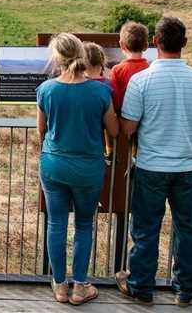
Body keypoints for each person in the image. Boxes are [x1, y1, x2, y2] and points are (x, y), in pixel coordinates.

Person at [116, 17, 192, 307]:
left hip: (151, 165)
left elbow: (127, 128)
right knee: (187, 228)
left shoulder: (141, 81)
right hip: (187, 167)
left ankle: (141, 286)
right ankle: (186, 290)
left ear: (155, 44)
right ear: (184, 44)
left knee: (146, 228)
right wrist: (190, 127)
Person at [38, 33, 120, 305]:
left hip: (53, 164)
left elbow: (42, 131)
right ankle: (80, 287)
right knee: (84, 224)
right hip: (87, 167)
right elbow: (114, 129)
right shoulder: (99, 91)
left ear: (56, 58)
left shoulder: (46, 90)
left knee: (56, 223)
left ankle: (60, 285)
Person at [106, 22, 150, 159]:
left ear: (122, 45)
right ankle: (137, 156)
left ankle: (110, 151)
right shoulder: (150, 68)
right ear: (146, 46)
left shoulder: (117, 70)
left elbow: (115, 97)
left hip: (122, 118)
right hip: (145, 117)